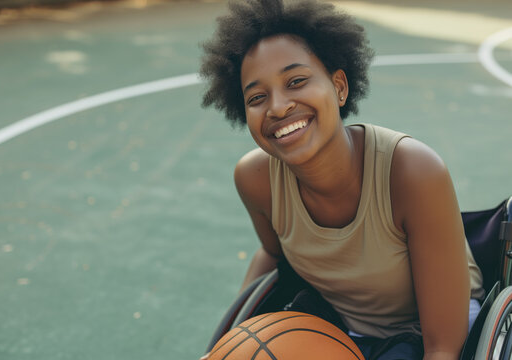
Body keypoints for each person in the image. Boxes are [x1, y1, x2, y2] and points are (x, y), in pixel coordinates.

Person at [199, 0, 484, 359]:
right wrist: (236, 338)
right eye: (257, 97)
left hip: (431, 333)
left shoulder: (412, 172)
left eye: (296, 81)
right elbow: (272, 254)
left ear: (339, 86)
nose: (277, 106)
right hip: (338, 330)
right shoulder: (256, 179)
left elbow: (442, 347)